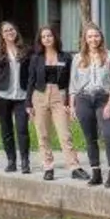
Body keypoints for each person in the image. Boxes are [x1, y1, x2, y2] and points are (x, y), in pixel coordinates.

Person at [25, 25, 82, 181]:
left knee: (65, 134)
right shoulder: (36, 58)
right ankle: (48, 167)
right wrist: (28, 103)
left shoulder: (66, 57)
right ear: (40, 40)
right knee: (42, 134)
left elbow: (71, 81)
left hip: (60, 96)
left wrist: (70, 102)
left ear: (55, 37)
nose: (47, 39)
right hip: (40, 96)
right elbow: (31, 80)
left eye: (49, 35)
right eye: (43, 37)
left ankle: (74, 166)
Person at [69, 22, 110, 188]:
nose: (93, 39)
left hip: (103, 98)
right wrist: (72, 105)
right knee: (90, 137)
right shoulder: (78, 58)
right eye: (90, 36)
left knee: (109, 135)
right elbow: (73, 84)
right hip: (83, 100)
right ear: (85, 38)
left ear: (101, 37)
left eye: (96, 36)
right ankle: (96, 173)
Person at [0, 21, 31, 174]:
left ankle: (25, 161)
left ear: (16, 31)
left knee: (22, 129)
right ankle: (11, 161)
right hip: (2, 95)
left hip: (22, 96)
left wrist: (31, 98)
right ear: (2, 35)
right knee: (6, 130)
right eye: (6, 31)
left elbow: (31, 75)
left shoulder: (25, 49)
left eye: (11, 29)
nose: (9, 32)